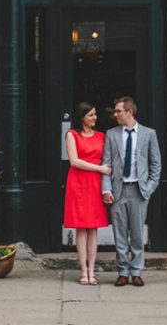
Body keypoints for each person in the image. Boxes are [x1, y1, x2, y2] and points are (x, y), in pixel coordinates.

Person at [101, 96, 161, 287]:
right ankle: (122, 272)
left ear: (129, 112)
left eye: (118, 111)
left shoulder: (148, 134)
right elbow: (106, 163)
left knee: (137, 234)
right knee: (119, 235)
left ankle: (136, 272)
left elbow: (156, 164)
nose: (115, 115)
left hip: (139, 190)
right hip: (118, 191)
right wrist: (106, 189)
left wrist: (150, 188)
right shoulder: (111, 134)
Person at [64, 101, 112, 285]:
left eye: (95, 114)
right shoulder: (72, 135)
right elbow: (74, 161)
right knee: (81, 228)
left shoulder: (101, 136)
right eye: (90, 115)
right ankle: (83, 271)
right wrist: (99, 168)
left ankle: (92, 270)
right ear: (82, 117)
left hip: (95, 184)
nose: (94, 118)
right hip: (78, 183)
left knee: (93, 228)